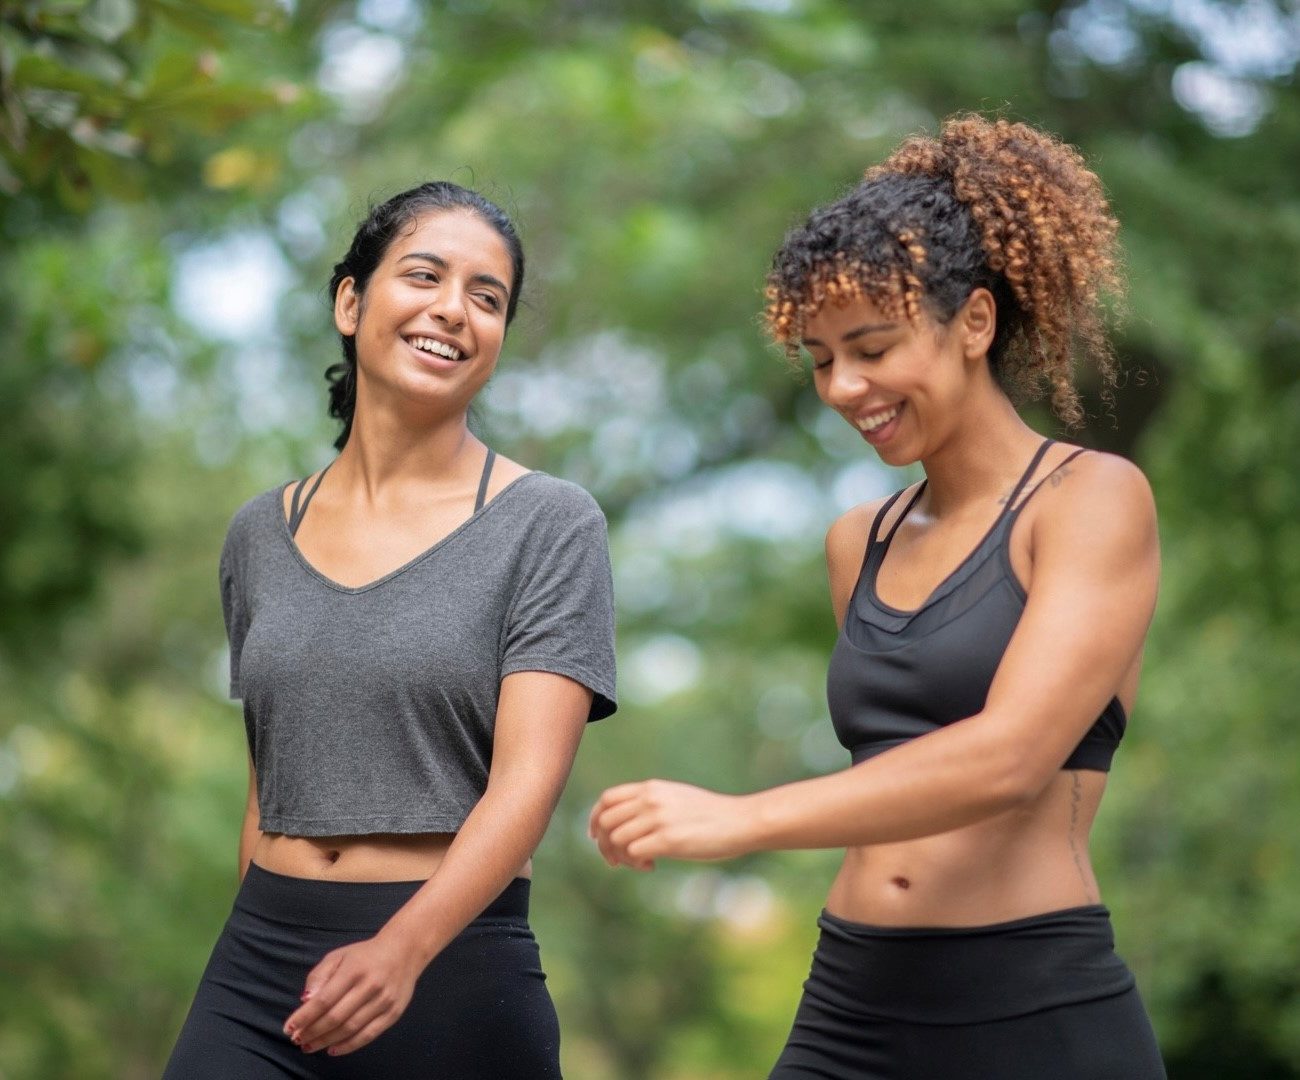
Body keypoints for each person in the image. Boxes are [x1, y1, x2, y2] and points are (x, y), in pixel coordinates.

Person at [590, 115, 1165, 1079]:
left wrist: (737, 819)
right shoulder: (857, 542)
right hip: (851, 1006)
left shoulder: (1090, 500)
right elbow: (895, 764)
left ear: (974, 322)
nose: (844, 386)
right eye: (819, 359)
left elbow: (1011, 757)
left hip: (1032, 1009)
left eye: (871, 347)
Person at [164, 181, 617, 1078]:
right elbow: (270, 784)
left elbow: (527, 786)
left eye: (487, 298)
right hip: (266, 967)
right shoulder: (261, 533)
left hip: (452, 972)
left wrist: (402, 949)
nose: (453, 310)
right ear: (350, 300)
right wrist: (250, 947)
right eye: (424, 276)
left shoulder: (550, 524)